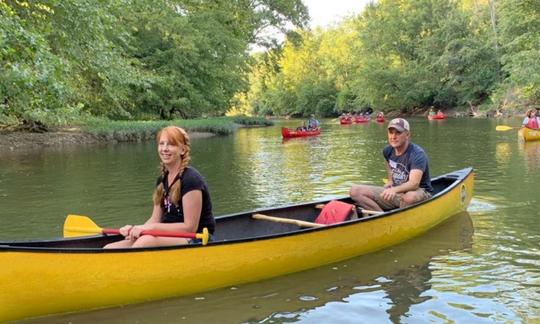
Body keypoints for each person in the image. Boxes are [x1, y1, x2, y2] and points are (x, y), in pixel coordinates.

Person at [104, 126, 215, 248]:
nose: (165, 149)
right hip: (167, 235)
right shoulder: (162, 181)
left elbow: (190, 228)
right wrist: (135, 228)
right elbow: (155, 219)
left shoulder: (191, 179)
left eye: (171, 144)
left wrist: (150, 228)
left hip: (198, 238)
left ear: (182, 150)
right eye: (162, 144)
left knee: (145, 242)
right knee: (109, 248)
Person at [350, 118, 434, 212]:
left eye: (398, 133)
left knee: (409, 197)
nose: (393, 136)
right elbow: (389, 163)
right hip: (398, 191)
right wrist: (390, 181)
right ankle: (381, 218)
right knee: (355, 191)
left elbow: (414, 184)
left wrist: (394, 190)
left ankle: (401, 219)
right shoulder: (387, 151)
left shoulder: (417, 154)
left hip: (420, 192)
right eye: (391, 132)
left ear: (407, 135)